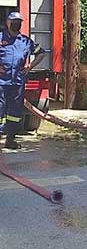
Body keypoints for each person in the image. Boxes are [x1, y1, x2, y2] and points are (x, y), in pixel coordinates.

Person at [0, 12, 45, 149]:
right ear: (7, 22)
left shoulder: (25, 41)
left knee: (15, 112)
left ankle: (10, 140)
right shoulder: (1, 37)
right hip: (1, 82)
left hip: (17, 83)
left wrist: (30, 66)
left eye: (19, 21)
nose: (16, 23)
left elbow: (41, 53)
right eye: (14, 21)